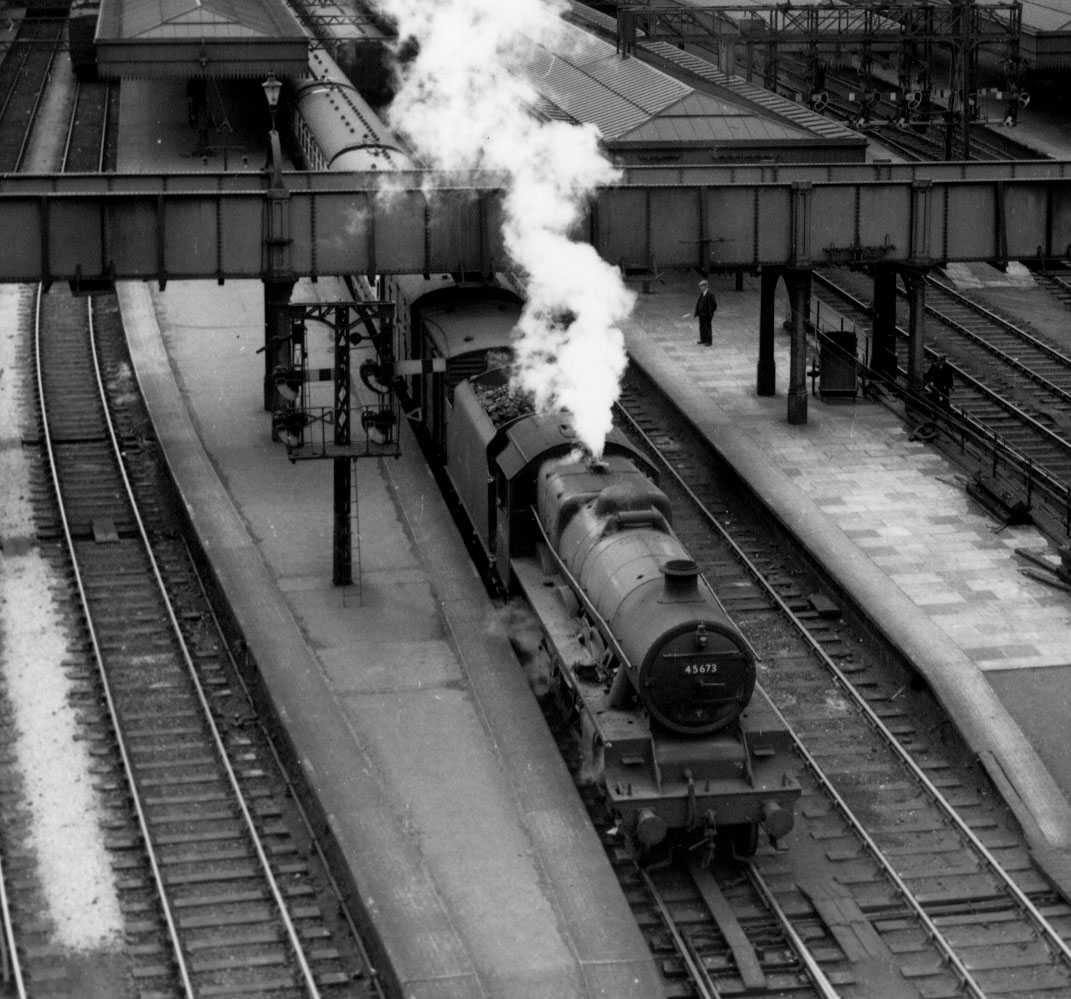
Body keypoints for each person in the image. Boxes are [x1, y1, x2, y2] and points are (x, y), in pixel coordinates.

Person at [692, 279, 717, 346]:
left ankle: (709, 341)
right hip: (701, 314)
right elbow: (699, 303)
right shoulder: (702, 293)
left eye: (701, 286)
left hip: (707, 315)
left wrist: (710, 312)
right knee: (702, 327)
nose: (700, 288)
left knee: (707, 328)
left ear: (705, 286)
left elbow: (714, 304)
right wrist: (697, 312)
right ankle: (703, 339)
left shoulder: (710, 294)